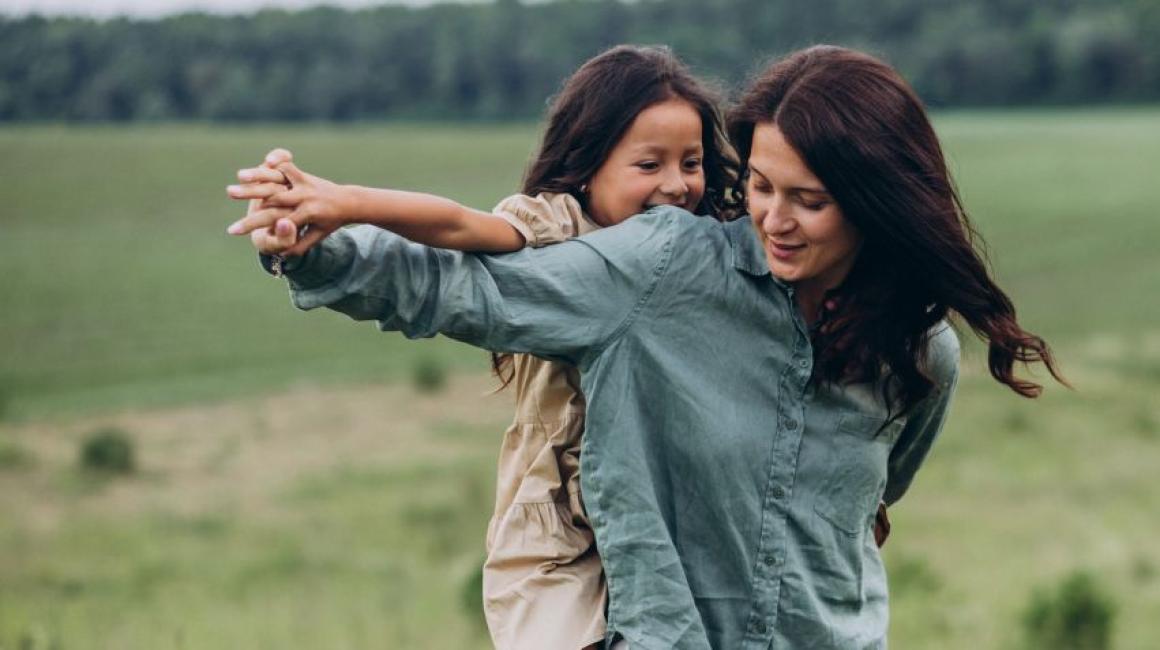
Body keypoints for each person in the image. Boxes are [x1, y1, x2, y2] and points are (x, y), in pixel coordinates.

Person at [227, 45, 1063, 648]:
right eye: (763, 187)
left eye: (807, 200)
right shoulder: (663, 268)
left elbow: (871, 513)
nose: (772, 218)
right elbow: (465, 289)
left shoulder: (921, 357)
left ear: (876, 205)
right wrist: (313, 244)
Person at [228, 45, 739, 650]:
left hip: (666, 524)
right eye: (648, 165)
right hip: (560, 535)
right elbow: (458, 229)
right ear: (586, 165)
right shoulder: (555, 227)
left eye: (691, 163)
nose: (677, 185)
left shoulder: (706, 253)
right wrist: (343, 206)